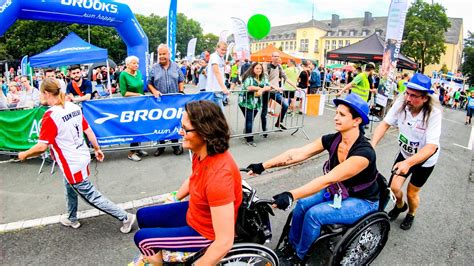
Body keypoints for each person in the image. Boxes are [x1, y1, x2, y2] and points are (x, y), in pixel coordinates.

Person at [246, 93, 380, 263]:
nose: (336, 118)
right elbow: (297, 154)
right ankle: (290, 247)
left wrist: (290, 194)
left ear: (357, 121)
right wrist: (263, 165)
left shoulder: (364, 153)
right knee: (302, 205)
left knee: (315, 214)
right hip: (339, 191)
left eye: (342, 115)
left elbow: (328, 179)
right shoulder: (333, 140)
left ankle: (299, 257)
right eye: (336, 113)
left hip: (363, 201)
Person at [18, 78, 136, 233]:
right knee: (70, 187)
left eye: (41, 93)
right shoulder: (73, 106)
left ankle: (125, 217)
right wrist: (96, 148)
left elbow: (42, 146)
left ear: (46, 93)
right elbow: (87, 129)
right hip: (81, 156)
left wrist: (24, 154)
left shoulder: (51, 115)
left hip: (72, 163)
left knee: (91, 196)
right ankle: (72, 217)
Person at [133, 100, 242, 265]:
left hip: (204, 232)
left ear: (205, 132)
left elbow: (224, 241)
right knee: (143, 216)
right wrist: (175, 197)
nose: (179, 132)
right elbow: (194, 179)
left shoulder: (219, 176)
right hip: (196, 212)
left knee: (143, 239)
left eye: (185, 129)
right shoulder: (201, 152)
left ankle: (158, 262)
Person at [371, 73, 442, 230]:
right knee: (394, 188)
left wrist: (408, 163)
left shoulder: (433, 114)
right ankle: (400, 206)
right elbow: (385, 124)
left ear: (425, 98)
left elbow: (431, 147)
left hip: (424, 160)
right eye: (407, 93)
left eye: (414, 96)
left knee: (411, 193)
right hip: (405, 154)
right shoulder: (402, 102)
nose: (408, 98)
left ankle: (411, 213)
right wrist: (372, 145)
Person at [148, 44, 185, 157]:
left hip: (174, 101)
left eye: (164, 54)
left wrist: (181, 91)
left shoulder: (176, 66)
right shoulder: (154, 68)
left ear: (169, 54)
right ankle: (161, 146)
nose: (162, 56)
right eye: (160, 54)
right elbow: (149, 83)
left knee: (174, 123)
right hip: (160, 102)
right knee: (161, 124)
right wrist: (154, 91)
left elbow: (181, 80)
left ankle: (175, 146)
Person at [120, 56, 149, 162]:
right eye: (134, 63)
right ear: (127, 64)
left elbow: (142, 87)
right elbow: (124, 93)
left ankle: (137, 148)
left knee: (141, 127)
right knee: (134, 128)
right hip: (131, 105)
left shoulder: (139, 73)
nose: (136, 65)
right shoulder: (123, 74)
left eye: (137, 63)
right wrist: (137, 94)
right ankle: (131, 152)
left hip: (141, 104)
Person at [239, 62, 271, 147]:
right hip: (246, 102)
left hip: (256, 103)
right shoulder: (249, 78)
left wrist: (262, 89)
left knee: (250, 119)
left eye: (260, 68)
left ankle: (247, 133)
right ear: (253, 69)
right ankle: (249, 139)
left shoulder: (263, 78)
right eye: (257, 68)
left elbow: (268, 86)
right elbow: (249, 87)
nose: (259, 70)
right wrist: (260, 88)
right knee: (249, 120)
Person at [262, 52, 293, 130]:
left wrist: (296, 87)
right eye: (275, 56)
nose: (276, 58)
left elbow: (286, 78)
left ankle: (279, 123)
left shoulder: (279, 66)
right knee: (264, 111)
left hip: (275, 92)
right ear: (271, 57)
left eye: (278, 56)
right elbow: (266, 81)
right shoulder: (266, 66)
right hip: (266, 91)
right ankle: (264, 129)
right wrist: (276, 87)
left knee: (285, 105)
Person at [206, 41, 230, 110]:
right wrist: (224, 87)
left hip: (218, 90)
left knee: (216, 115)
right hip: (214, 90)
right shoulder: (214, 56)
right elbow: (216, 72)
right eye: (222, 50)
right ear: (217, 48)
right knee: (219, 115)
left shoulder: (220, 57)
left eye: (225, 50)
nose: (224, 52)